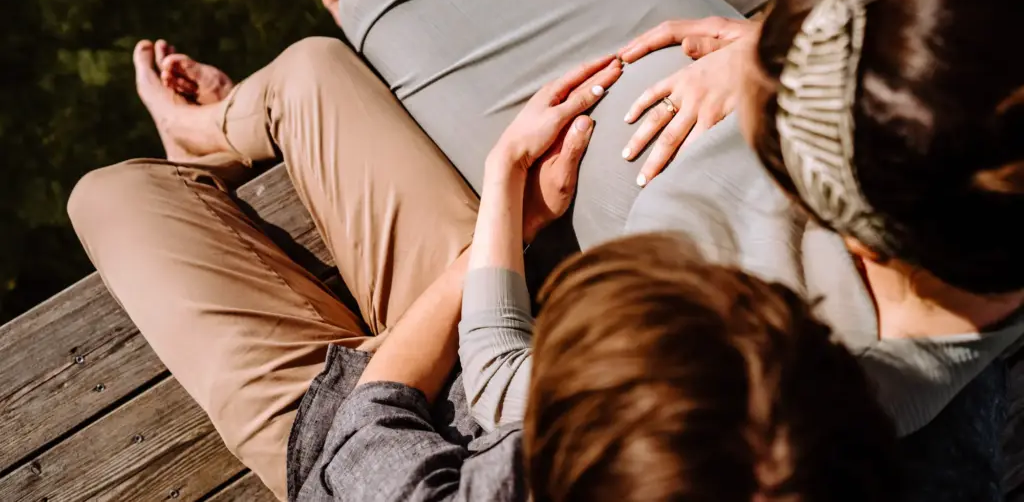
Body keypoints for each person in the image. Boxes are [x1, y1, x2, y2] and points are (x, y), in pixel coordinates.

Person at [297, 0, 1020, 498]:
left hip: (583, 163)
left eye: (789, 138)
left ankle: (368, 9)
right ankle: (376, 4)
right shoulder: (977, 212)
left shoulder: (775, 366)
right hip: (683, 84)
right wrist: (767, 55)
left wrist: (503, 184)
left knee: (394, 12)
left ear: (855, 230)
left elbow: (506, 385)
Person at [70, 30, 898, 501]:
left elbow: (367, 434)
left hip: (335, 434)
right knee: (312, 67)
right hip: (494, 342)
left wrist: (506, 217)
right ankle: (208, 130)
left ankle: (189, 155)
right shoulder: (808, 448)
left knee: (107, 195)